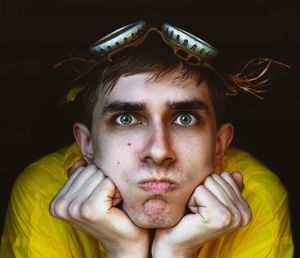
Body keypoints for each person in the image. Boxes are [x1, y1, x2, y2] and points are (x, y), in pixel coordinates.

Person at [1, 21, 294, 257]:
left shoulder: (256, 198)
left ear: (219, 145)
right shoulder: (43, 193)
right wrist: (124, 251)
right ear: (87, 145)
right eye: (126, 119)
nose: (158, 150)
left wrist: (174, 253)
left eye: (184, 118)